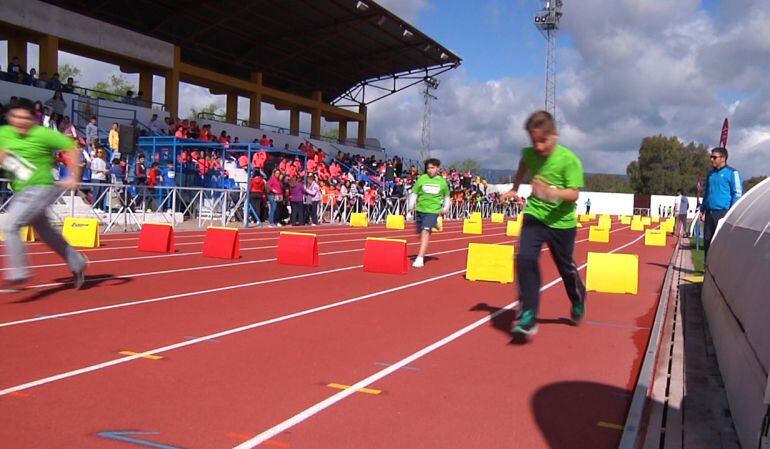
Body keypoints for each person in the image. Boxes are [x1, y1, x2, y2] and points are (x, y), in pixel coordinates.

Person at [500, 110, 586, 337]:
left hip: (562, 223)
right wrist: (515, 187)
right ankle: (528, 314)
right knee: (525, 258)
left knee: (565, 267)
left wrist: (550, 191)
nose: (537, 146)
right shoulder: (529, 153)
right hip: (535, 215)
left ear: (554, 135)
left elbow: (574, 194)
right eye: (533, 140)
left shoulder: (569, 160)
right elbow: (523, 163)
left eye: (542, 140)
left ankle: (577, 297)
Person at [0, 98, 88, 292]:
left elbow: (72, 148)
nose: (20, 122)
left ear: (33, 119)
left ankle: (19, 274)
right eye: (15, 117)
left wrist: (74, 176)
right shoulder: (4, 133)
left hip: (42, 187)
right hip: (21, 190)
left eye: (25, 118)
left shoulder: (43, 134)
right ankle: (78, 263)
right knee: (46, 233)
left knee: (10, 225)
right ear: (8, 118)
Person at [408, 158, 451, 268]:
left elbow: (446, 196)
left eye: (432, 168)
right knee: (420, 232)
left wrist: (446, 208)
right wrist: (410, 207)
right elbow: (414, 193)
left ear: (437, 168)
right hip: (420, 209)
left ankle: (420, 258)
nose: (430, 170)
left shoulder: (442, 182)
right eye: (428, 168)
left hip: (433, 210)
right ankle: (433, 223)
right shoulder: (422, 179)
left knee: (425, 231)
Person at [701, 147, 742, 257]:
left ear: (723, 158)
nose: (711, 159)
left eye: (714, 157)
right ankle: (707, 269)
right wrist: (702, 209)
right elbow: (707, 193)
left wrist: (731, 213)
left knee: (721, 243)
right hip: (709, 213)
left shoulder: (733, 173)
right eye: (711, 157)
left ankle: (721, 271)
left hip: (723, 213)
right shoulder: (711, 174)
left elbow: (737, 193)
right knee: (707, 241)